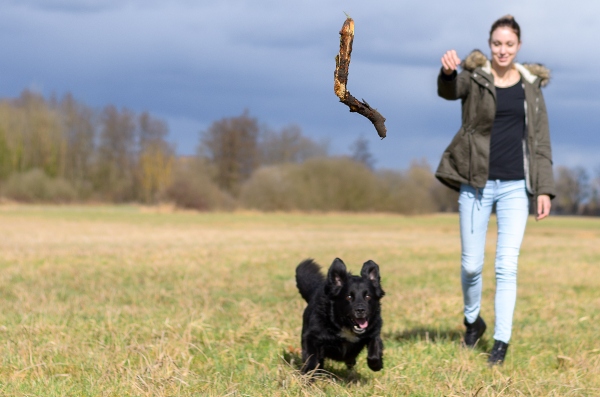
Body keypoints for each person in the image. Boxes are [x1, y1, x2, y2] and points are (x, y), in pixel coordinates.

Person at [435, 15, 555, 365]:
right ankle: (473, 321)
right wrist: (446, 74)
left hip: (516, 187)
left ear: (518, 47)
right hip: (476, 183)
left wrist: (543, 189)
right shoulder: (474, 78)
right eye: (497, 43)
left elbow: (541, 142)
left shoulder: (531, 87)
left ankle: (500, 343)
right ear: (490, 45)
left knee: (506, 265)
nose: (503, 50)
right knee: (472, 266)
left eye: (509, 44)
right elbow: (448, 92)